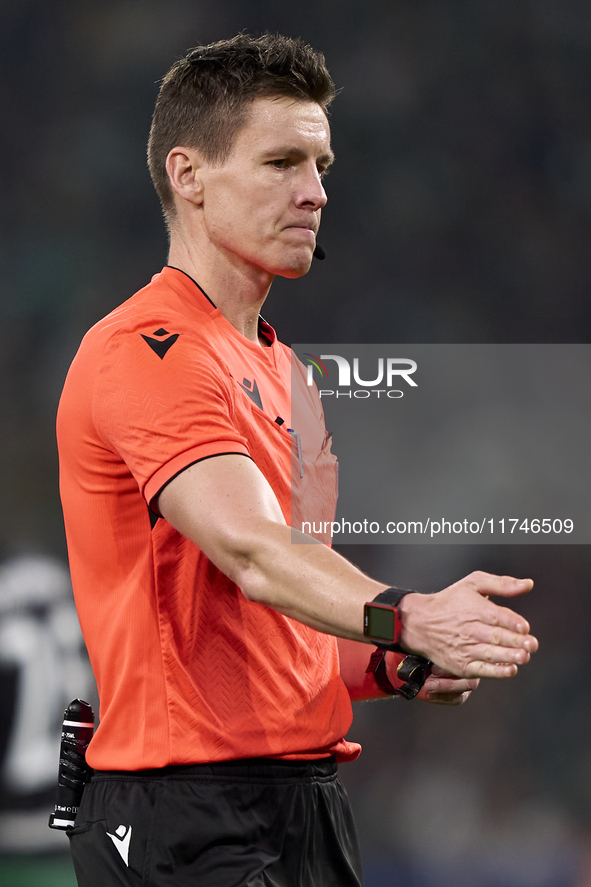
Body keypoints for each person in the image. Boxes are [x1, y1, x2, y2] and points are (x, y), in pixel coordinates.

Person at [56, 33, 538, 887]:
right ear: (189, 175)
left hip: (303, 800)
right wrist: (407, 613)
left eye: (321, 165)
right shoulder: (146, 349)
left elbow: (286, 622)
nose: (314, 193)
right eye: (281, 162)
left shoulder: (289, 374)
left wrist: (399, 658)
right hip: (181, 811)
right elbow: (254, 553)